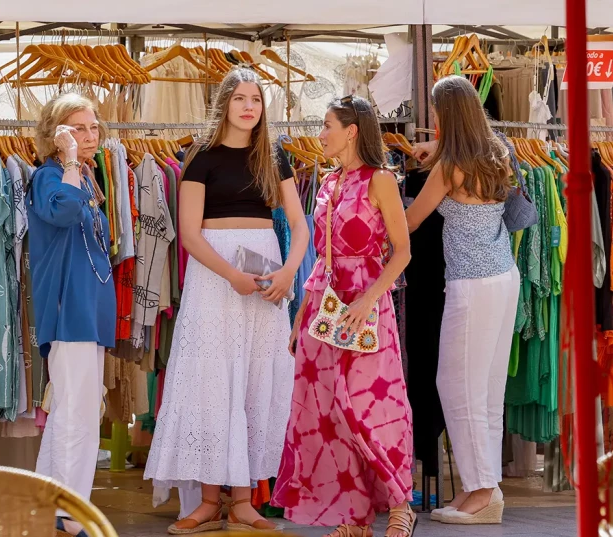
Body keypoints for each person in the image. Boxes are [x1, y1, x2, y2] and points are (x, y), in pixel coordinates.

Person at [143, 67, 309, 535]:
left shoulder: (274, 156)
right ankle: (208, 502)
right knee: (211, 380)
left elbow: (300, 227)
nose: (249, 106)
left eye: (256, 98)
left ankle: (243, 502)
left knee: (256, 379)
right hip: (216, 277)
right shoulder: (201, 156)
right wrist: (232, 275)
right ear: (225, 104)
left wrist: (289, 272)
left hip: (266, 276)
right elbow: (191, 234)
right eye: (240, 98)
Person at [272, 95, 416, 537]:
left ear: (351, 130)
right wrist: (300, 317)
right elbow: (321, 256)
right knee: (328, 410)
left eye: (327, 125)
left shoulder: (381, 180)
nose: (320, 134)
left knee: (374, 406)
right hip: (324, 306)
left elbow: (402, 251)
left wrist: (370, 299)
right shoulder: (329, 182)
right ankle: (354, 516)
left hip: (367, 305)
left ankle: (399, 505)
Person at [406, 75, 520, 525]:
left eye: (435, 114)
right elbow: (463, 153)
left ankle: (479, 492)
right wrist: (435, 151)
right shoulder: (497, 153)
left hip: (471, 285)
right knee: (489, 392)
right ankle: (486, 489)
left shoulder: (448, 167)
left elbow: (412, 221)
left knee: (456, 388)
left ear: (445, 116)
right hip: (503, 276)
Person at [28, 93, 116, 537]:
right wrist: (67, 160)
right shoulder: (49, 177)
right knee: (76, 415)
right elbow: (62, 213)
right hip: (68, 311)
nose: (88, 135)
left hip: (87, 311)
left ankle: (51, 506)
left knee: (72, 410)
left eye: (93, 127)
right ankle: (68, 512)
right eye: (76, 127)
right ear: (56, 132)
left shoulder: (87, 177)